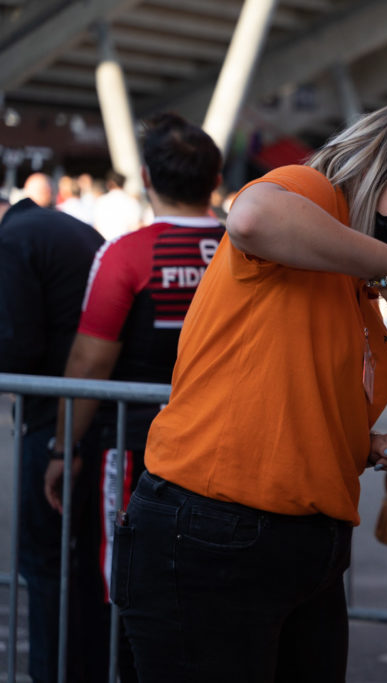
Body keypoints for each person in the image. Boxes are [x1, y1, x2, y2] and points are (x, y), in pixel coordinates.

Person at [116, 95, 387, 682]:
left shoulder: (358, 286)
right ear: (380, 161)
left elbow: (287, 397)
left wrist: (367, 445)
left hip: (303, 549)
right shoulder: (313, 195)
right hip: (215, 531)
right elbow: (252, 218)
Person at [42, 114, 226, 681]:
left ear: (146, 177)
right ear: (215, 180)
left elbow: (90, 361)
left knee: (123, 584)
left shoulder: (127, 254)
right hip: (229, 444)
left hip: (135, 451)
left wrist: (60, 447)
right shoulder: (245, 251)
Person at [0, 193, 105, 682]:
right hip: (96, 413)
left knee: (43, 563)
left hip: (58, 419)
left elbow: (18, 346)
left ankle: (52, 671)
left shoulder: (13, 240)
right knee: (85, 564)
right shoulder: (53, 227)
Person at [93, 170, 143, 240]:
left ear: (109, 184)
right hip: (127, 243)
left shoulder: (100, 201)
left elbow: (96, 227)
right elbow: (137, 226)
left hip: (107, 245)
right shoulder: (131, 201)